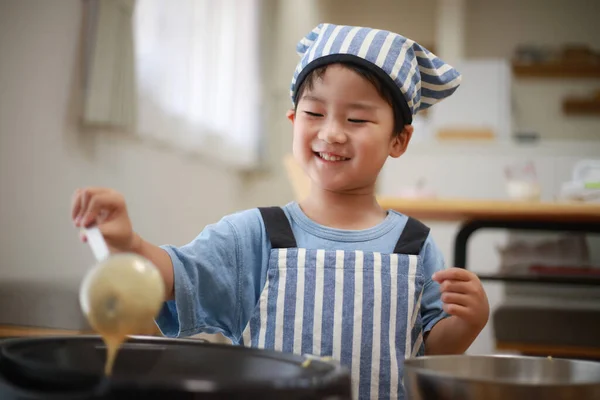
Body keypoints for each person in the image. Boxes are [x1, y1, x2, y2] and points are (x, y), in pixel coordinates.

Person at [71, 23, 489, 399]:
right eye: (314, 113)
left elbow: (432, 352)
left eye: (357, 119)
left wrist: (469, 322)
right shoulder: (256, 234)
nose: (331, 132)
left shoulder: (413, 246)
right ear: (293, 120)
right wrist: (127, 242)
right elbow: (172, 276)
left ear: (399, 140)